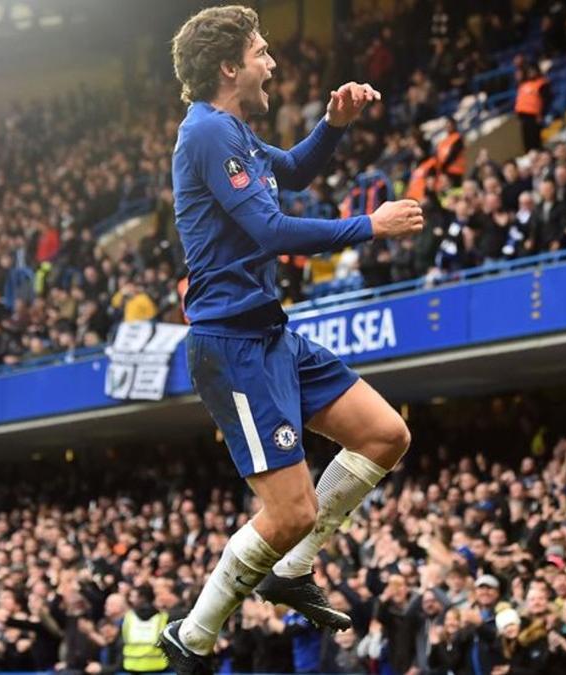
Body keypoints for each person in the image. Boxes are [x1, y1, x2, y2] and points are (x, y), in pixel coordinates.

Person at [161, 6, 421, 674]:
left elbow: (297, 172)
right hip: (232, 346)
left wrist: (333, 125)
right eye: (261, 52)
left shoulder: (235, 133)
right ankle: (191, 637)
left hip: (270, 333)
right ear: (229, 66)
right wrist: (369, 225)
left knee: (386, 434)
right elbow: (273, 230)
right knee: (292, 510)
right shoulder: (208, 133)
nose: (272, 63)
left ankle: (293, 571)